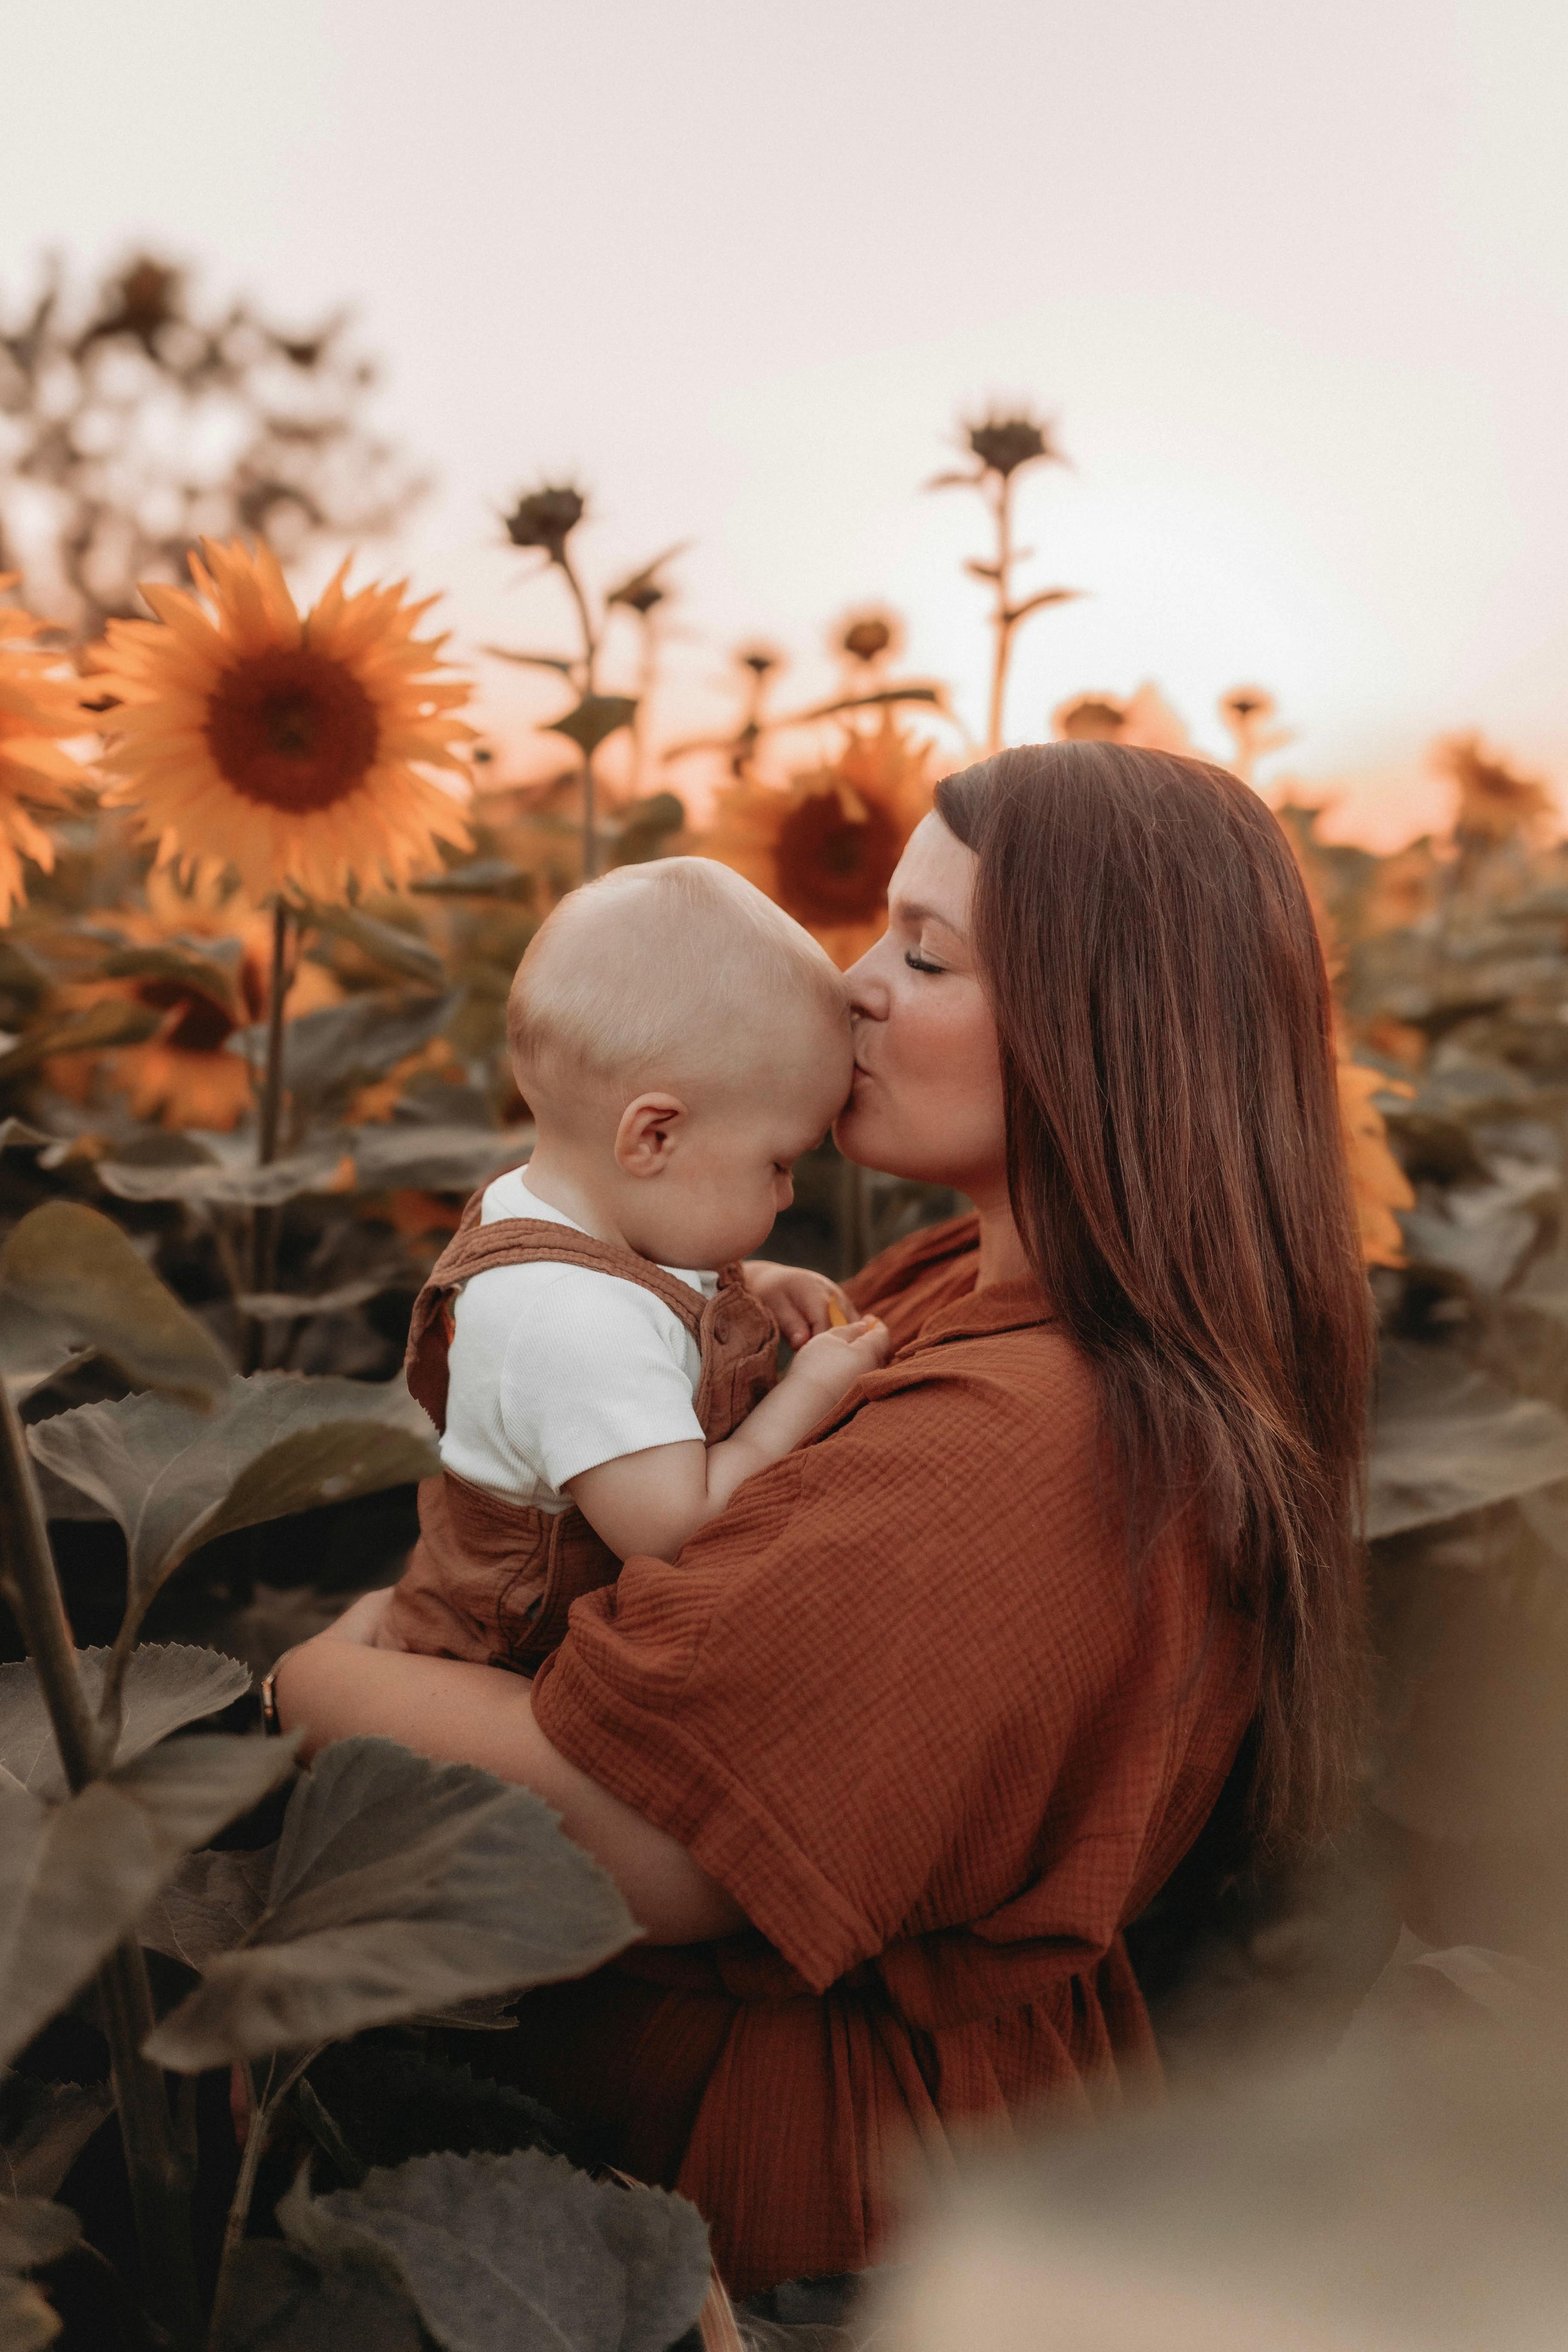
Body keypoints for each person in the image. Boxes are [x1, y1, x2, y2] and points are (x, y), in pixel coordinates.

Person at [273, 743, 1373, 2294]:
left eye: (921, 956)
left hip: (801, 2213)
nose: (853, 987)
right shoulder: (951, 1285)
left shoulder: (1027, 1441)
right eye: (875, 931)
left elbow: (651, 1845)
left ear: (1103, 1031)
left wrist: (305, 1682)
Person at [377, 858, 889, 1668]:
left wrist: (757, 1282)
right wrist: (809, 1394)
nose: (788, 1197)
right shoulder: (569, 1323)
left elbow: (643, 1294)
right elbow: (678, 1529)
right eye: (779, 1164)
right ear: (653, 1136)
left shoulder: (562, 1214)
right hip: (496, 1677)